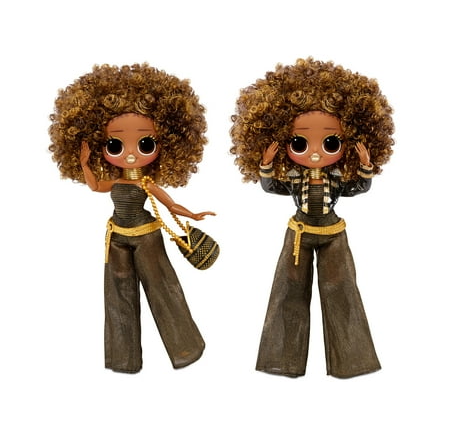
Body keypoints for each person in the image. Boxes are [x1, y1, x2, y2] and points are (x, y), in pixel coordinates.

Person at [230, 58, 394, 378]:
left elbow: (358, 188)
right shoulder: (294, 176)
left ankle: (353, 360)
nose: (316, 152)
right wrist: (266, 166)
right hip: (300, 232)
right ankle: (281, 359)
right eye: (300, 143)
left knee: (342, 290)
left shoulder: (336, 176)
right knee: (287, 290)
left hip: (333, 232)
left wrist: (365, 166)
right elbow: (272, 187)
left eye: (330, 142)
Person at [49, 64, 214, 373]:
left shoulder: (145, 183)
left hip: (147, 236)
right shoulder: (117, 182)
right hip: (117, 237)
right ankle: (122, 358)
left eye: (145, 144)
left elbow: (171, 205)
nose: (129, 155)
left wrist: (193, 214)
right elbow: (95, 186)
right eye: (114, 145)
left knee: (163, 289)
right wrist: (84, 164)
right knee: (117, 294)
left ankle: (186, 347)